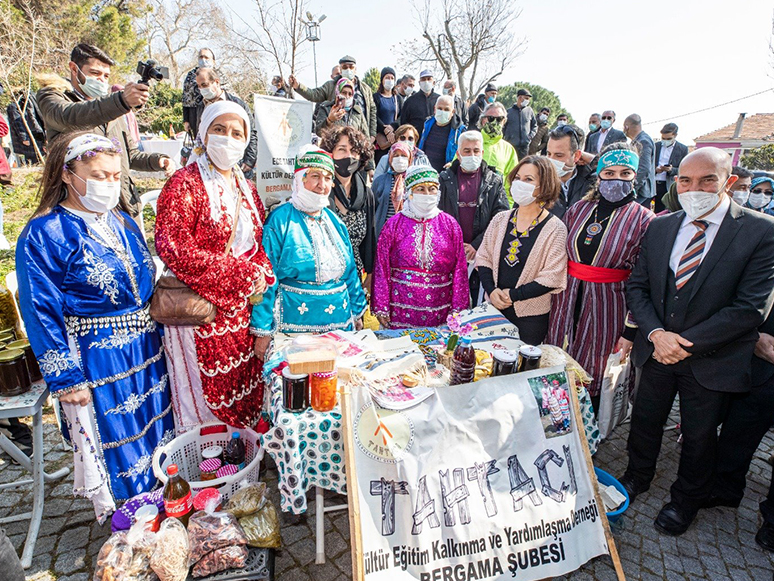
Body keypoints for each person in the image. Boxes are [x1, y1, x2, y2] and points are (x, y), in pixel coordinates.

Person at [16, 132, 174, 520]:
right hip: (98, 359)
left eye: (116, 176)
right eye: (99, 175)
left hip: (146, 350)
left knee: (156, 430)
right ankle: (131, 525)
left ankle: (168, 510)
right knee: (118, 441)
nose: (109, 184)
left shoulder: (122, 220)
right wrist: (66, 379)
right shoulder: (45, 233)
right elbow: (40, 310)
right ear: (68, 175)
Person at [621, 147, 774, 536]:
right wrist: (656, 334)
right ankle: (636, 476)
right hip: (657, 348)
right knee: (645, 420)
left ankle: (686, 499)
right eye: (685, 180)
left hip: (712, 358)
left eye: (707, 179)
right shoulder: (660, 226)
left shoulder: (760, 231)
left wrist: (681, 343)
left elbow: (750, 309)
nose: (695, 189)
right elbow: (638, 286)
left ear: (729, 182)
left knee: (700, 434)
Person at [155, 101, 275, 431]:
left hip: (243, 313)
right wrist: (238, 274)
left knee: (245, 387)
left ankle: (245, 457)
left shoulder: (247, 189)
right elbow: (173, 245)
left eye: (237, 133)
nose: (228, 138)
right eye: (219, 130)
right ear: (203, 134)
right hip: (200, 311)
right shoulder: (183, 184)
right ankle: (208, 468)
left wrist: (262, 273)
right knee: (205, 398)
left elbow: (258, 245)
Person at [546, 142, 654, 411]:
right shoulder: (578, 209)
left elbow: (644, 281)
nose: (616, 179)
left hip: (609, 307)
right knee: (557, 364)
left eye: (625, 173)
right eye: (609, 173)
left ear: (635, 176)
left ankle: (590, 434)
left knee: (596, 370)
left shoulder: (645, 220)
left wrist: (630, 331)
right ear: (599, 175)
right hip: (566, 301)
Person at [37, 43, 175, 217]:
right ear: (74, 69)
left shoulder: (112, 108)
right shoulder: (53, 97)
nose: (101, 80)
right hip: (77, 207)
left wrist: (158, 161)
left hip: (119, 205)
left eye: (106, 76)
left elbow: (129, 156)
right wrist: (121, 101)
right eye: (95, 73)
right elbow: (71, 118)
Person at [250, 148, 368, 347]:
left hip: (340, 329)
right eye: (315, 176)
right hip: (295, 330)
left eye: (328, 178)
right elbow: (267, 278)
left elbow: (350, 273)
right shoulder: (279, 221)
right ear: (299, 179)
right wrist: (262, 330)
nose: (322, 185)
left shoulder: (335, 223)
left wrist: (357, 313)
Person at [476, 156, 568, 344]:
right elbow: (483, 257)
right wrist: (492, 291)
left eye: (528, 179)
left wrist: (513, 295)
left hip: (530, 318)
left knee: (521, 369)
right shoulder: (501, 219)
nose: (519, 183)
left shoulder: (555, 228)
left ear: (544, 186)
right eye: (517, 178)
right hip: (493, 309)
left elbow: (552, 277)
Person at [373, 165, 469, 328]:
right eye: (420, 189)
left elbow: (460, 268)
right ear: (409, 192)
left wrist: (458, 308)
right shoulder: (394, 224)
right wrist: (381, 306)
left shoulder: (450, 224)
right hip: (400, 309)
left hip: (439, 309)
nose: (427, 194)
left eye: (432, 189)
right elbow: (381, 266)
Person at [438, 131, 508, 303]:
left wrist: (476, 245)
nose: (472, 155)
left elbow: (501, 217)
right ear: (458, 154)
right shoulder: (444, 179)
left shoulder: (494, 181)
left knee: (476, 304)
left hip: (482, 256)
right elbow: (436, 215)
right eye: (467, 151)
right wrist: (455, 245)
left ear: (482, 152)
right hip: (449, 254)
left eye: (476, 151)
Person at [320, 126, 376, 284]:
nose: (349, 156)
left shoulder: (366, 195)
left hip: (354, 277)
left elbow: (370, 239)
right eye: (342, 150)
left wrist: (370, 275)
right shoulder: (320, 190)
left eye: (354, 151)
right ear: (330, 152)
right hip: (324, 276)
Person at [289, 55, 376, 138]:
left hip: (360, 134)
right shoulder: (331, 86)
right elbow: (314, 94)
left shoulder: (365, 89)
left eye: (351, 67)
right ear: (340, 70)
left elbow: (372, 110)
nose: (348, 69)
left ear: (355, 69)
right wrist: (298, 86)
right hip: (336, 132)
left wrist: (372, 135)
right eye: (345, 67)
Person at [194, 68, 258, 178]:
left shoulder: (237, 104)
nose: (201, 89)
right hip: (208, 165)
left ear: (217, 82)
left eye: (204, 85)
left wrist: (249, 160)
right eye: (199, 86)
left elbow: (251, 132)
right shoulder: (201, 106)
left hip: (236, 164)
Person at [545, 124, 597, 217]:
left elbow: (614, 170)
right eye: (549, 154)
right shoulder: (538, 181)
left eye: (559, 155)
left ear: (577, 155)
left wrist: (592, 159)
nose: (551, 160)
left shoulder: (591, 182)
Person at [182, 48, 230, 135]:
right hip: (196, 111)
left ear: (213, 61)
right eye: (201, 57)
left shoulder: (220, 74)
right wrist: (186, 120)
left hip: (217, 109)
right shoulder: (191, 75)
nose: (203, 60)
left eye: (206, 57)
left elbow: (228, 95)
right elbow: (185, 98)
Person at [479, 102, 518, 203]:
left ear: (504, 121)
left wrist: (508, 209)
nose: (495, 122)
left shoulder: (509, 150)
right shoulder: (470, 142)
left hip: (497, 206)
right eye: (491, 118)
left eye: (499, 119)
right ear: (483, 120)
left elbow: (512, 184)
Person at [373, 141, 413, 237]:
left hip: (407, 233)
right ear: (390, 158)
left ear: (410, 158)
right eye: (396, 155)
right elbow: (372, 207)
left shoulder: (413, 181)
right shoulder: (380, 180)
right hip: (383, 232)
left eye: (403, 155)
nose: (399, 159)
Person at [418, 95, 465, 173]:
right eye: (439, 108)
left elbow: (464, 154)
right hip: (425, 172)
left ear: (452, 112)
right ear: (434, 109)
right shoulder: (427, 124)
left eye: (446, 109)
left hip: (446, 175)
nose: (442, 112)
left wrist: (453, 164)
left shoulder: (459, 131)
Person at [654, 123, 689, 212]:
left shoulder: (682, 149)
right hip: (654, 182)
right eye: (663, 138)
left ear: (675, 136)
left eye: (669, 139)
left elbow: (684, 170)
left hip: (668, 184)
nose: (665, 141)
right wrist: (655, 169)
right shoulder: (656, 146)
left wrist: (671, 170)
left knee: (665, 210)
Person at [623, 114, 656, 207]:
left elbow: (644, 168)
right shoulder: (640, 139)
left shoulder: (643, 141)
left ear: (626, 127)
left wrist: (632, 188)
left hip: (641, 192)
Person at [373, 67, 403, 165]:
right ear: (382, 80)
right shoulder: (376, 97)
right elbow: (374, 116)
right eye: (387, 77)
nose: (389, 80)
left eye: (392, 78)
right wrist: (385, 130)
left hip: (394, 139)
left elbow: (402, 116)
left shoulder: (398, 99)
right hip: (381, 140)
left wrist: (392, 127)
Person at [6, 92, 45, 165]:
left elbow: (18, 122)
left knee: (35, 159)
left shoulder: (22, 105)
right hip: (28, 138)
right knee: (33, 160)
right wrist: (24, 138)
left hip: (30, 137)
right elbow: (17, 123)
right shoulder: (15, 106)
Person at [400, 69, 440, 138]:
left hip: (435, 140)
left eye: (429, 79)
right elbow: (403, 123)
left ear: (433, 82)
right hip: (415, 141)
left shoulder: (439, 100)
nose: (426, 82)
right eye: (423, 79)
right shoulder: (410, 101)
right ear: (419, 83)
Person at [503, 88, 536, 160]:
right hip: (511, 145)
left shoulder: (529, 111)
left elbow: (534, 126)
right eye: (526, 98)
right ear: (520, 97)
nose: (528, 101)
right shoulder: (509, 112)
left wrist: (530, 136)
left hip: (524, 146)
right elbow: (503, 127)